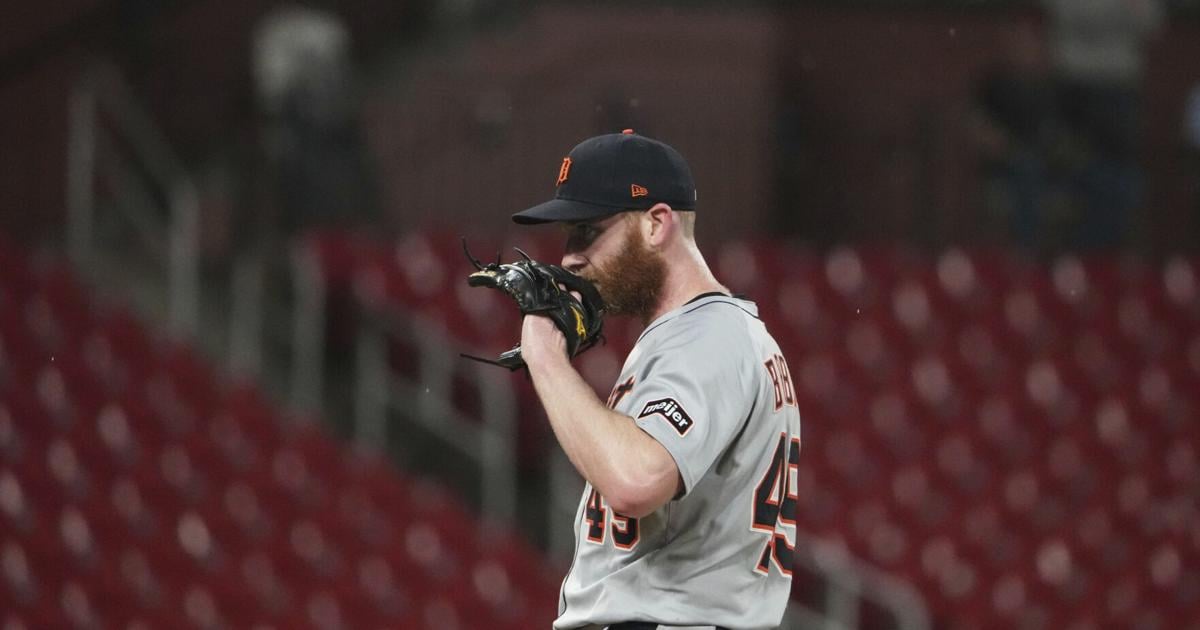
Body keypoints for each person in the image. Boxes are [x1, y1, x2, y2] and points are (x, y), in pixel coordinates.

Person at [510, 129, 802, 630]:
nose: (569, 258)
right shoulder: (701, 335)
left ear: (656, 224)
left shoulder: (710, 335)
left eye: (587, 230)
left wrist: (545, 356)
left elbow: (636, 480)